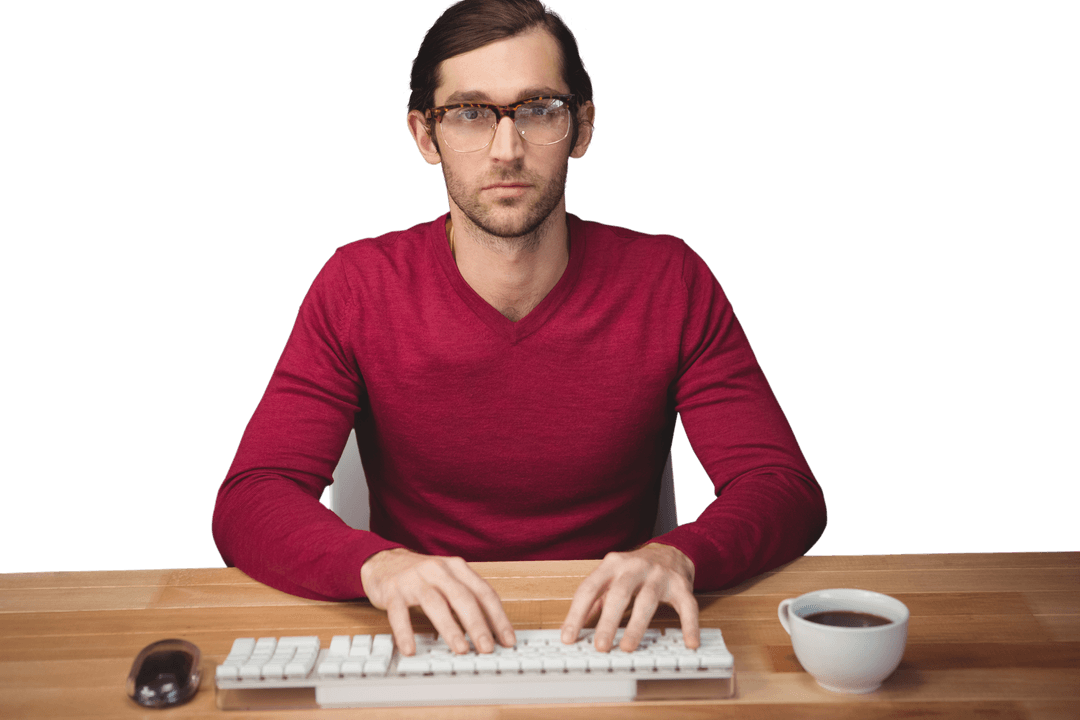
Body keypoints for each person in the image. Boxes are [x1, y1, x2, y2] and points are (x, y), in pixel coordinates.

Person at [212, 0, 827, 659]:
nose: (507, 149)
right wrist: (378, 565)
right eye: (471, 113)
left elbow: (782, 487)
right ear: (426, 136)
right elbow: (252, 496)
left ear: (583, 127)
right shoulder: (357, 285)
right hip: (423, 643)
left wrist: (681, 556)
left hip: (614, 641)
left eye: (538, 109)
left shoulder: (669, 279)